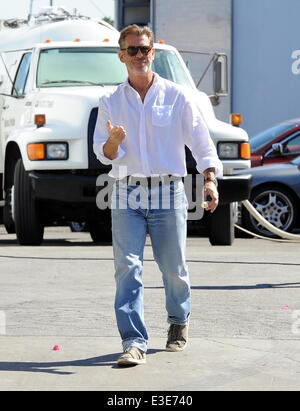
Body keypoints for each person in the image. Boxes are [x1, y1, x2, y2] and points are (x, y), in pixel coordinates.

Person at [93, 24, 223, 366]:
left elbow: (201, 142)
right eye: (132, 50)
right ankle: (134, 342)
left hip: (168, 192)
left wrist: (210, 180)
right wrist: (114, 142)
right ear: (121, 55)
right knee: (127, 269)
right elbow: (102, 153)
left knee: (173, 268)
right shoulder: (110, 101)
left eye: (145, 49)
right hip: (125, 192)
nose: (139, 56)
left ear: (153, 53)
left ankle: (178, 321)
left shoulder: (177, 96)